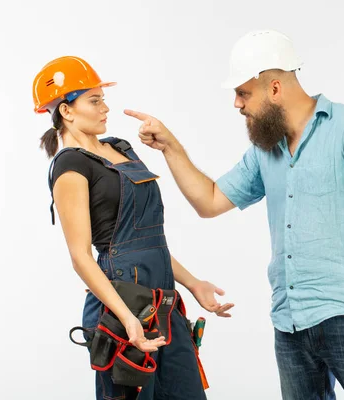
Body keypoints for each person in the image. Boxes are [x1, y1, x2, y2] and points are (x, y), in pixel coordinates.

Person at [123, 30, 344, 400]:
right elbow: (209, 201)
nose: (237, 104)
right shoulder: (265, 150)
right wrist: (170, 148)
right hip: (289, 323)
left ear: (273, 88)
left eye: (243, 93)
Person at [32, 55, 233, 400]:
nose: (105, 108)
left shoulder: (120, 148)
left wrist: (193, 283)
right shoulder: (70, 166)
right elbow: (81, 257)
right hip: (122, 307)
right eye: (94, 100)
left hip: (163, 302)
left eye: (103, 98)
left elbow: (146, 241)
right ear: (66, 110)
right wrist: (127, 319)